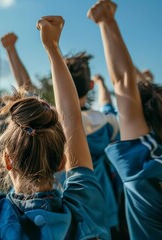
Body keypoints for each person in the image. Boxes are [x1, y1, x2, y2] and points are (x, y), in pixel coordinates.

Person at [0, 11, 109, 239]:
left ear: (6, 160)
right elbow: (73, 119)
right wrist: (52, 48)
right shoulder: (85, 208)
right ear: (62, 162)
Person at [88, 0, 162, 238]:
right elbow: (123, 83)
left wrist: (106, 21)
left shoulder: (147, 167)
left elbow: (122, 82)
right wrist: (107, 22)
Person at [65, 52, 120, 234]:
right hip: (105, 203)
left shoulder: (57, 125)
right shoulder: (105, 122)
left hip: (71, 207)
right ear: (90, 85)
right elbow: (108, 105)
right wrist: (103, 83)